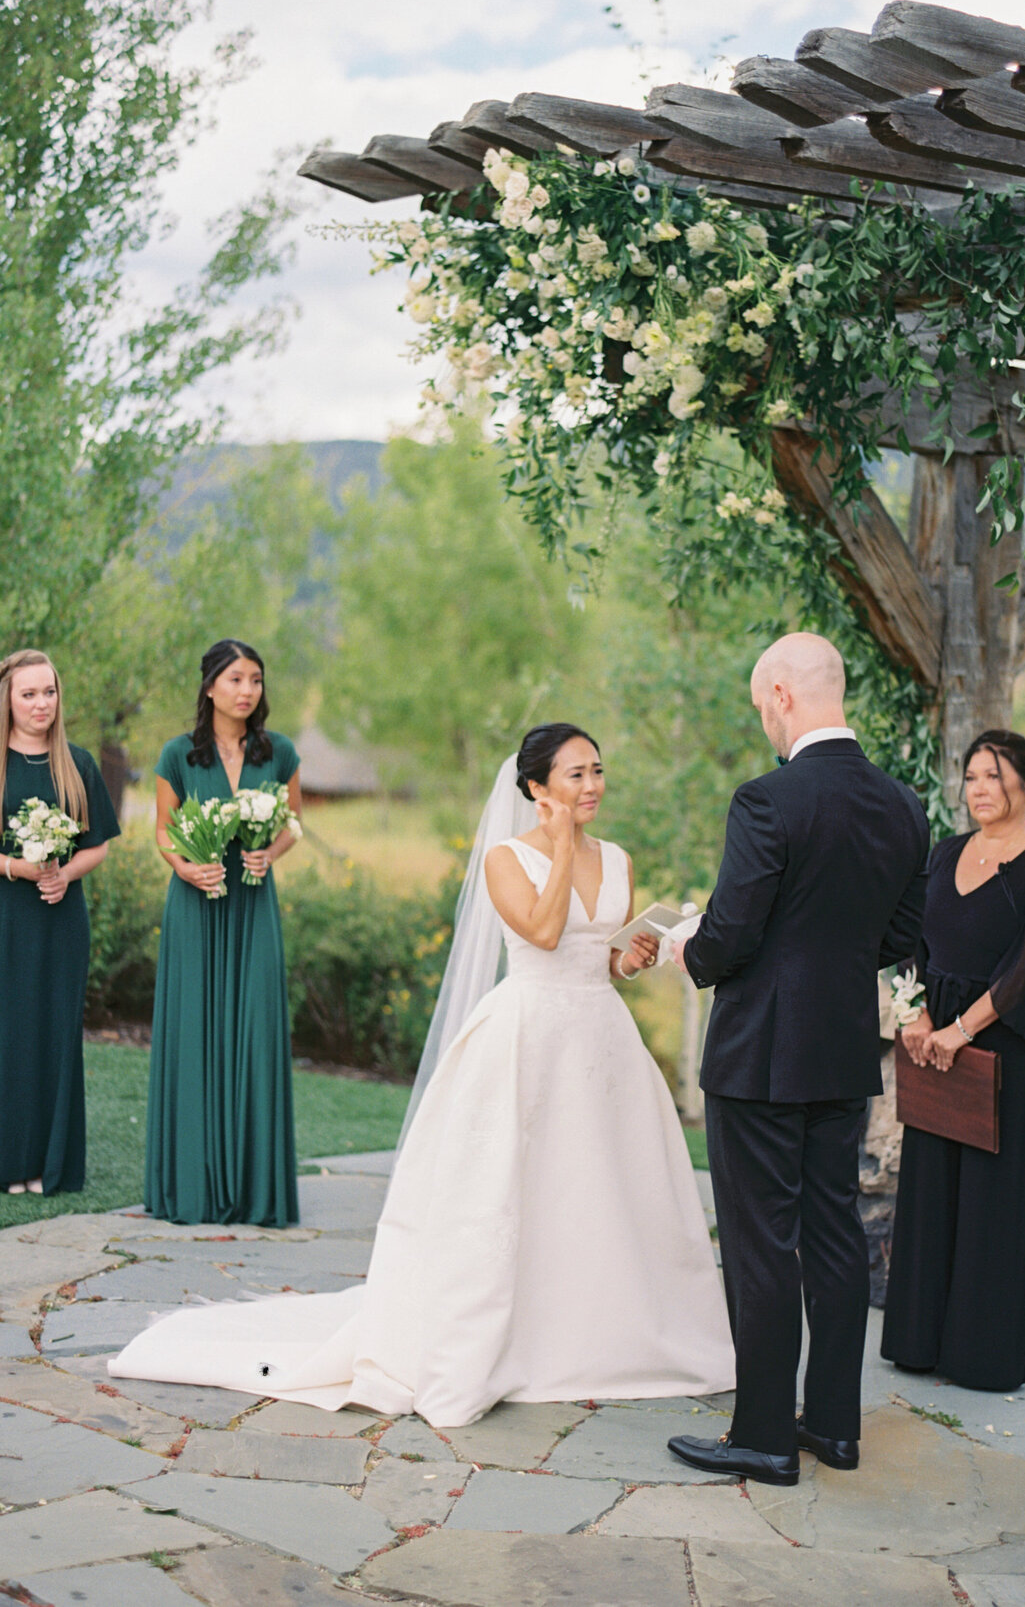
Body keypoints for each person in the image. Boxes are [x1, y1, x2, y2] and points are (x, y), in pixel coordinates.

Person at [110, 723, 734, 1425]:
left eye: (597, 771)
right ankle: (507, 1335)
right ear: (536, 789)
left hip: (600, 1039)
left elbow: (599, 956)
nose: (592, 786)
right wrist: (560, 846)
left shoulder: (617, 859)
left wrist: (634, 955)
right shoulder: (506, 856)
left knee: (601, 1184)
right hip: (526, 1035)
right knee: (512, 1188)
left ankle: (608, 1327)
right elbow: (546, 932)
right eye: (574, 775)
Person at [666, 633, 929, 1487]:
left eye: (760, 709)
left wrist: (687, 950)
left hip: (758, 1057)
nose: (765, 727)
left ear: (781, 694)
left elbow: (732, 933)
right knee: (833, 1233)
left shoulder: (767, 801)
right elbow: (901, 934)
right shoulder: (903, 805)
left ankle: (766, 1435)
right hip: (844, 1050)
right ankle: (837, 1427)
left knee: (760, 1243)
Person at [881, 730, 1025, 1393]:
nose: (977, 788)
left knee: (990, 1203)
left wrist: (961, 1031)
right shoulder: (943, 854)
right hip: (931, 1042)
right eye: (970, 775)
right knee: (931, 1190)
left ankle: (979, 1357)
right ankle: (918, 1342)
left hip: (1000, 1047)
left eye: (992, 777)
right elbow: (904, 936)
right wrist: (911, 1013)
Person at [144, 638, 302, 1227]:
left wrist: (270, 855)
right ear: (210, 685)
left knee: (255, 1030)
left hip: (253, 907)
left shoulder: (279, 752)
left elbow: (295, 823)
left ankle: (255, 1192)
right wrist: (184, 865)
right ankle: (192, 1187)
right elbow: (163, 831)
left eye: (256, 680)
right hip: (196, 907)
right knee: (195, 1031)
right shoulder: (178, 755)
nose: (247, 691)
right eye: (235, 679)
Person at [0, 650, 120, 1196]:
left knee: (53, 1036)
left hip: (60, 920)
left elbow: (99, 846)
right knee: (10, 1036)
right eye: (28, 694)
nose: (41, 703)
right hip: (7, 917)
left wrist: (64, 874)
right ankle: (10, 1163)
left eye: (48, 692)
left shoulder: (78, 763)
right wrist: (15, 867)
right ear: (7, 700)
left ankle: (50, 1165)